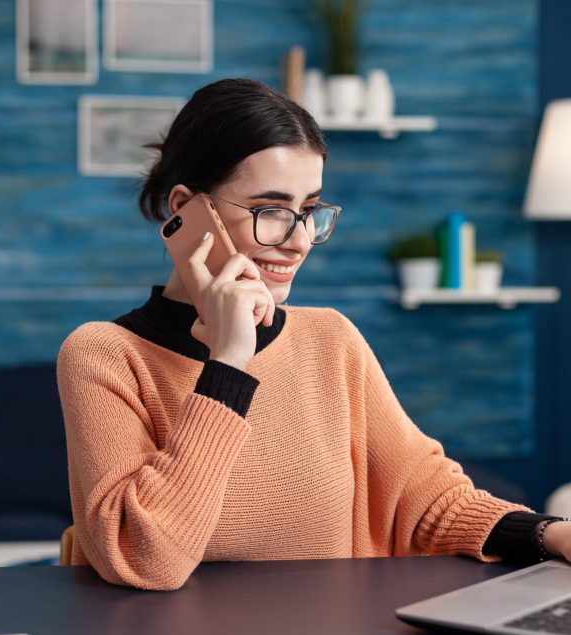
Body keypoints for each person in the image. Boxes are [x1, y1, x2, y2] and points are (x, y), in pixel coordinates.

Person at [57, 78, 571, 590]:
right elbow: (145, 556)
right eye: (271, 211)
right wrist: (228, 363)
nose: (298, 240)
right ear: (186, 209)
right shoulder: (104, 355)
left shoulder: (331, 340)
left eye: (307, 212)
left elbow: (426, 497)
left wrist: (551, 535)